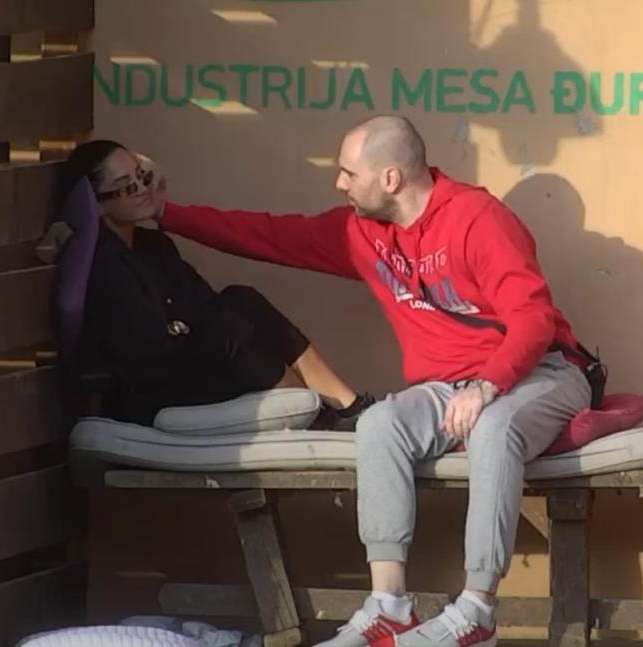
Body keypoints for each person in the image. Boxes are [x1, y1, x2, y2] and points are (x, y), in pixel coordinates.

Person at [153, 116, 593, 647]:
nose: (338, 182)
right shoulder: (361, 233)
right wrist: (165, 214)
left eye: (348, 173)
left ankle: (478, 610)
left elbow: (533, 320)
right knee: (380, 422)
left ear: (390, 178)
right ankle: (390, 606)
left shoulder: (478, 218)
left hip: (540, 372)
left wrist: (487, 386)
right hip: (448, 387)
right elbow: (267, 233)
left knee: (493, 428)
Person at [60, 140, 373, 428]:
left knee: (241, 299)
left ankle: (348, 406)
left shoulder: (153, 246)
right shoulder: (103, 264)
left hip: (184, 363)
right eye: (126, 187)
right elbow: (147, 348)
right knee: (226, 333)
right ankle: (318, 421)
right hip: (149, 390)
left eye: (143, 177)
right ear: (96, 204)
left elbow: (204, 303)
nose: (142, 189)